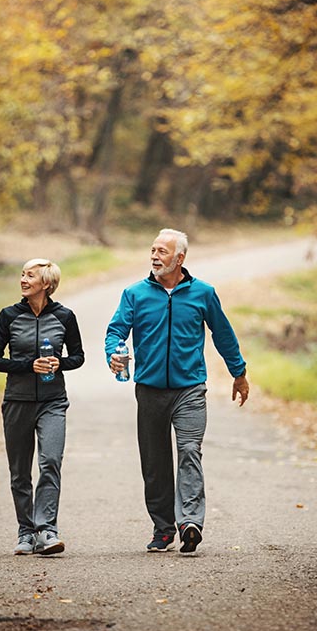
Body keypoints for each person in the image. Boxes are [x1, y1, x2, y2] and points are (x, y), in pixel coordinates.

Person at [105, 228, 250, 554]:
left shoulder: (203, 293)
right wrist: (114, 353)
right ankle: (163, 528)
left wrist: (238, 373)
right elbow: (116, 331)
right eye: (153, 250)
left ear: (180, 258)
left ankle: (190, 523)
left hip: (190, 390)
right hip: (150, 390)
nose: (155, 256)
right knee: (154, 464)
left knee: (189, 451)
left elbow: (223, 334)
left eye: (162, 251)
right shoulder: (135, 294)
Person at [0, 258, 84, 556]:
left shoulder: (65, 316)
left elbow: (78, 356)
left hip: (53, 401)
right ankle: (25, 532)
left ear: (46, 283)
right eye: (22, 274)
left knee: (50, 461)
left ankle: (47, 530)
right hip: (17, 402)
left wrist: (60, 362)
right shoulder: (8, 316)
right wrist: (29, 365)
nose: (23, 280)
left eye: (30, 276)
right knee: (19, 472)